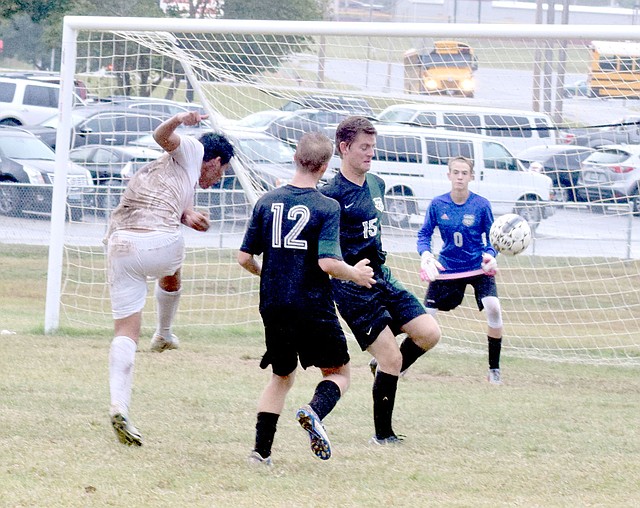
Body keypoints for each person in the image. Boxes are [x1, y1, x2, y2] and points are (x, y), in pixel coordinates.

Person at [238, 132, 376, 466]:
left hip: (273, 303)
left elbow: (244, 258)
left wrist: (269, 274)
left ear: (295, 158)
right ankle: (314, 412)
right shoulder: (327, 207)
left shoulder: (266, 201)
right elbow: (327, 263)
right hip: (311, 304)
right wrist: (356, 274)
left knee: (281, 376)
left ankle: (261, 453)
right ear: (326, 165)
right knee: (339, 373)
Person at [105, 111, 235, 446]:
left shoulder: (171, 173)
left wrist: (186, 215)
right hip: (156, 244)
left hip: (119, 245)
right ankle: (163, 333)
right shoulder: (192, 149)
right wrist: (180, 118)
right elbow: (160, 135)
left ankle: (120, 406)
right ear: (215, 161)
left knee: (125, 332)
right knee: (174, 254)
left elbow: (160, 205)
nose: (219, 179)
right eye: (222, 172)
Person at [320, 116, 441, 445]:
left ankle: (384, 369)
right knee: (392, 357)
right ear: (344, 148)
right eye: (363, 147)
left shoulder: (377, 184)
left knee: (430, 333)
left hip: (381, 276)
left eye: (373, 147)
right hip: (351, 287)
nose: (370, 153)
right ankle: (383, 435)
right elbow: (323, 252)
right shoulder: (330, 195)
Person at [416, 156, 504, 385]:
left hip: (477, 267)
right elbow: (424, 234)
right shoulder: (438, 204)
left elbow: (493, 239)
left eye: (464, 173)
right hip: (448, 268)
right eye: (456, 172)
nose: (460, 177)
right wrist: (426, 255)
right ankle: (401, 364)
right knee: (426, 318)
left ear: (471, 177)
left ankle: (494, 370)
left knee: (493, 307)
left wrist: (490, 256)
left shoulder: (481, 205)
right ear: (449, 175)